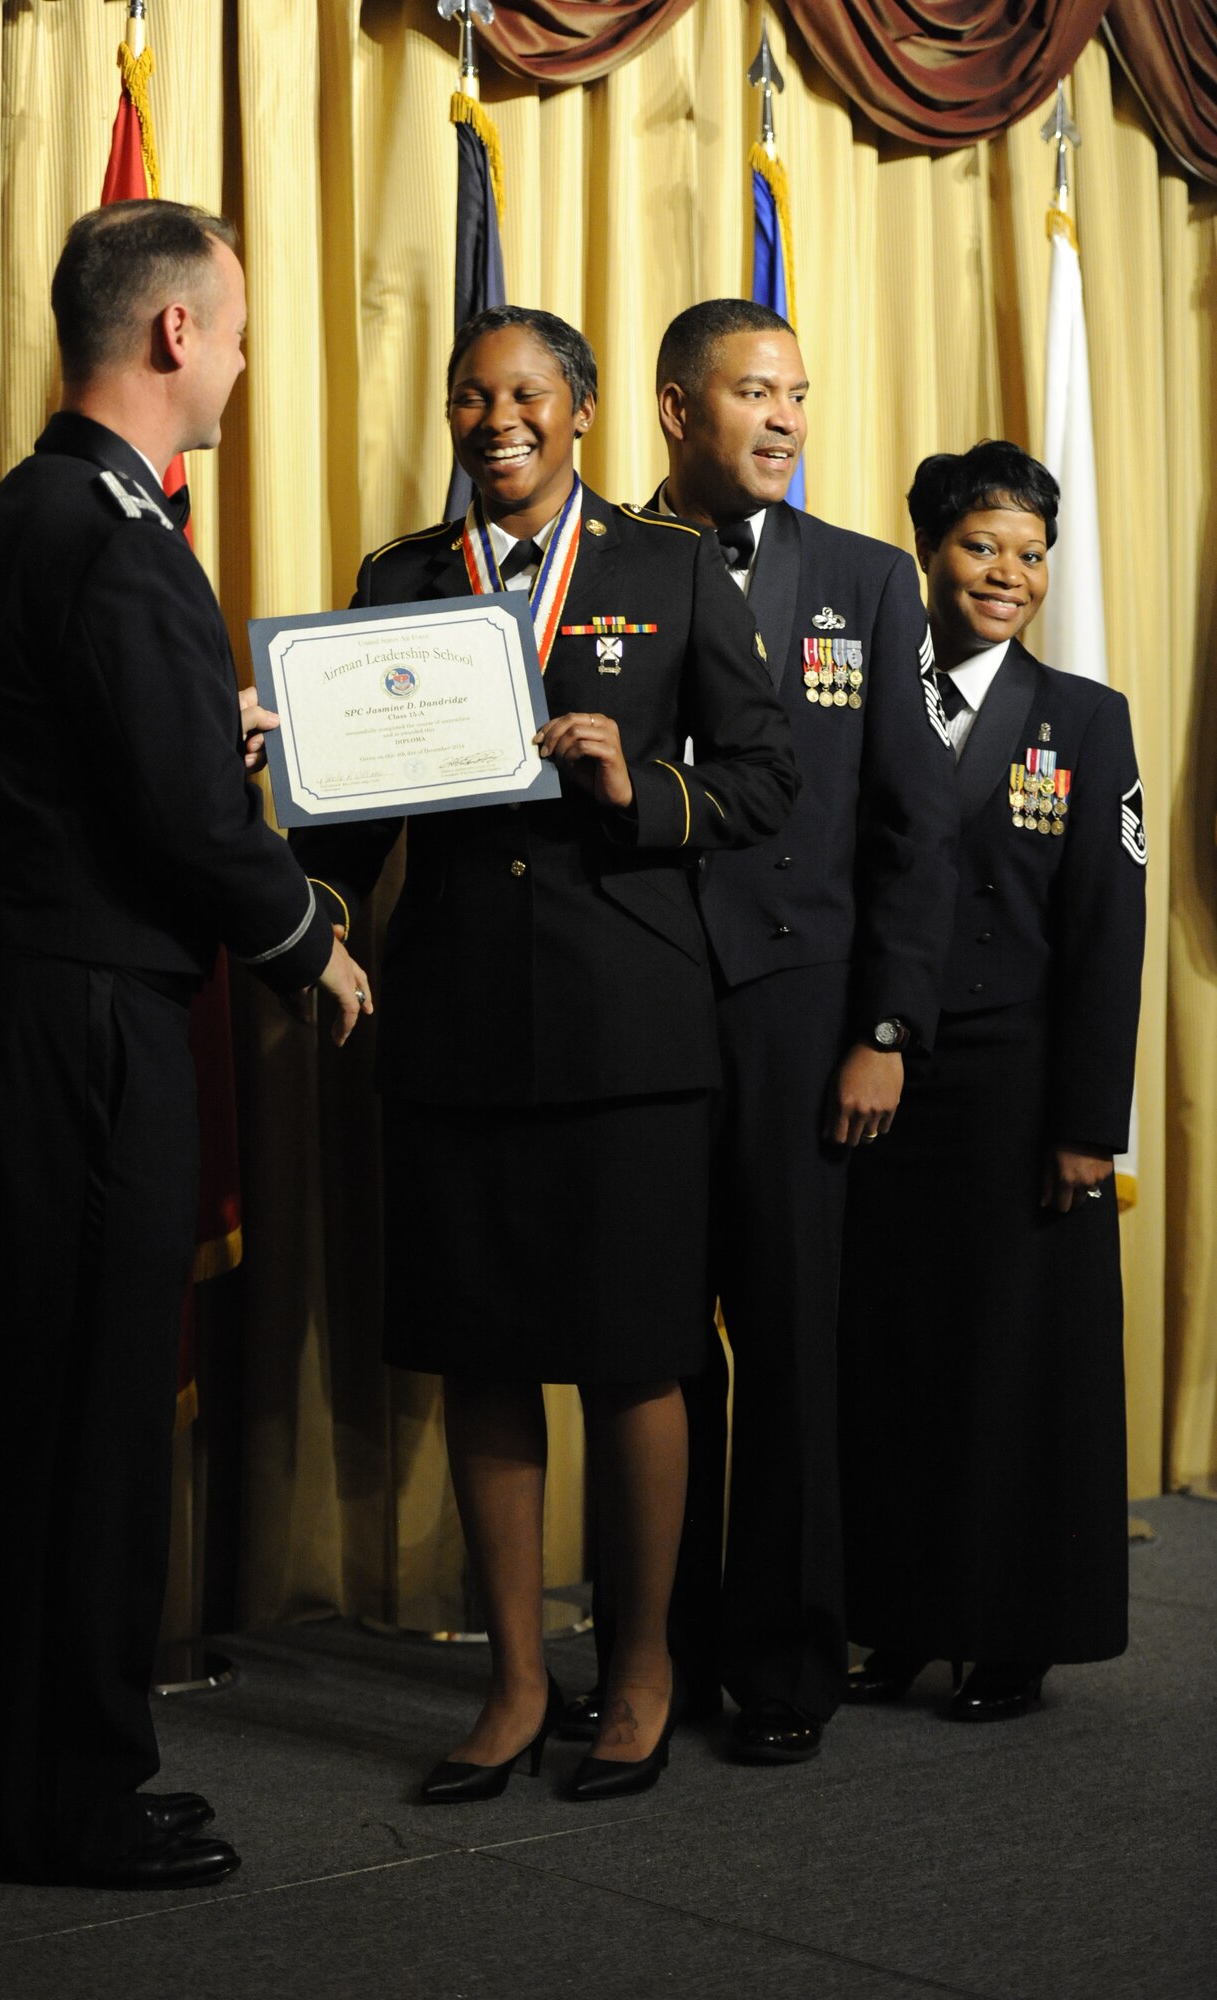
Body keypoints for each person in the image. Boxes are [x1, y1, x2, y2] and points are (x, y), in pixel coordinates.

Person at [0, 199, 371, 1889]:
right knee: (82, 1416)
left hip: (3, 1006)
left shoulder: (19, 523)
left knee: (28, 1415)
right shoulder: (116, 537)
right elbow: (180, 818)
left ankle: (44, 1774)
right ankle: (59, 1809)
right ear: (173, 333)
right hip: (78, 1029)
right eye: (236, 329)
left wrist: (206, 727)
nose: (245, 362)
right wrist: (308, 937)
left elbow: (94, 764)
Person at [292, 304, 799, 1802]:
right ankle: (515, 1684)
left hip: (626, 1032)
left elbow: (767, 783)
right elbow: (341, 822)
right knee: (485, 1357)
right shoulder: (400, 579)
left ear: (579, 414)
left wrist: (633, 782)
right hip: (450, 1026)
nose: (494, 418)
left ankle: (636, 1673)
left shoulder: (671, 569)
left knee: (634, 1358)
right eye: (468, 396)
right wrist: (309, 902)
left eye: (524, 393)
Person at [564, 299, 959, 1766]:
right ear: (674, 409)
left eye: (797, 393)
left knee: (789, 1341)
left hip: (805, 1007)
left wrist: (887, 1024)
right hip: (641, 1000)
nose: (785, 418)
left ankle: (784, 1665)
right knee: (648, 1349)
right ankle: (648, 1654)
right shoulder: (590, 564)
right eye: (752, 392)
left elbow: (915, 827)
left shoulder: (861, 582)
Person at [838, 440, 1146, 1720]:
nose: (1005, 574)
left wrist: (1088, 1124)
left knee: (1020, 1369)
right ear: (928, 550)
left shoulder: (1082, 717)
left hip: (1022, 1091)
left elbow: (1104, 933)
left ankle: (1014, 1632)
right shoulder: (856, 693)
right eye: (980, 546)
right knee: (893, 1354)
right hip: (878, 1080)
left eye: (1027, 553)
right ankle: (900, 1615)